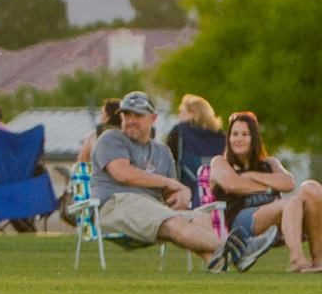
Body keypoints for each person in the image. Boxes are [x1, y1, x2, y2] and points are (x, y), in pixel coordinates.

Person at [85, 91, 221, 262]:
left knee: (200, 218)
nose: (131, 120)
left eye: (138, 115)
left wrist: (180, 195)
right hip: (115, 205)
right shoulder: (111, 139)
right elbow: (123, 174)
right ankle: (233, 249)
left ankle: (216, 265)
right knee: (173, 223)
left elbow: (170, 193)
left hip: (152, 210)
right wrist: (172, 184)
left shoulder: (162, 151)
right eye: (127, 115)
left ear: (153, 118)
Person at [207, 111, 308, 272]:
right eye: (235, 134)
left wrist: (251, 175)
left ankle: (317, 259)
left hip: (275, 218)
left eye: (245, 134)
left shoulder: (269, 163)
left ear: (254, 138)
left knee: (310, 198)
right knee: (292, 202)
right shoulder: (220, 163)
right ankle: (297, 259)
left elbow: (288, 183)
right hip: (239, 224)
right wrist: (270, 186)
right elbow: (232, 184)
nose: (239, 139)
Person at [77, 98, 123, 164]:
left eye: (103, 115)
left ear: (109, 117)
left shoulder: (94, 136)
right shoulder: (132, 136)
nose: (101, 119)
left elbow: (82, 162)